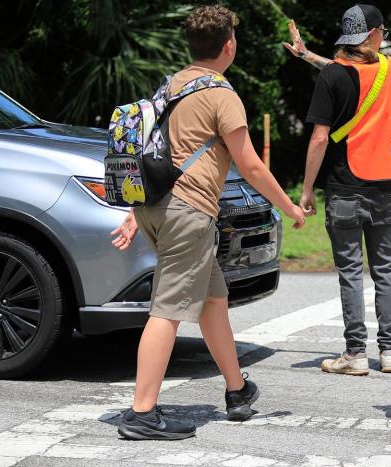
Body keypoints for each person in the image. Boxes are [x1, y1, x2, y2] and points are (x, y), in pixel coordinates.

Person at [110, 5, 307, 440]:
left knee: (213, 300)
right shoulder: (221, 94)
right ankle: (142, 413)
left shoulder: (171, 84)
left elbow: (152, 153)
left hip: (156, 207)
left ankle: (237, 391)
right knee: (167, 312)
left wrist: (132, 212)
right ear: (229, 45)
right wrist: (290, 208)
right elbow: (251, 166)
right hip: (187, 212)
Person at [301, 4, 391, 376]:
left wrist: (307, 188)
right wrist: (309, 56)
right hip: (385, 187)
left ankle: (356, 353)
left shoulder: (330, 77)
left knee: (350, 272)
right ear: (375, 33)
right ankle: (390, 352)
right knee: (384, 270)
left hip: (344, 187)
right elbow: (360, 70)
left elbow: (319, 138)